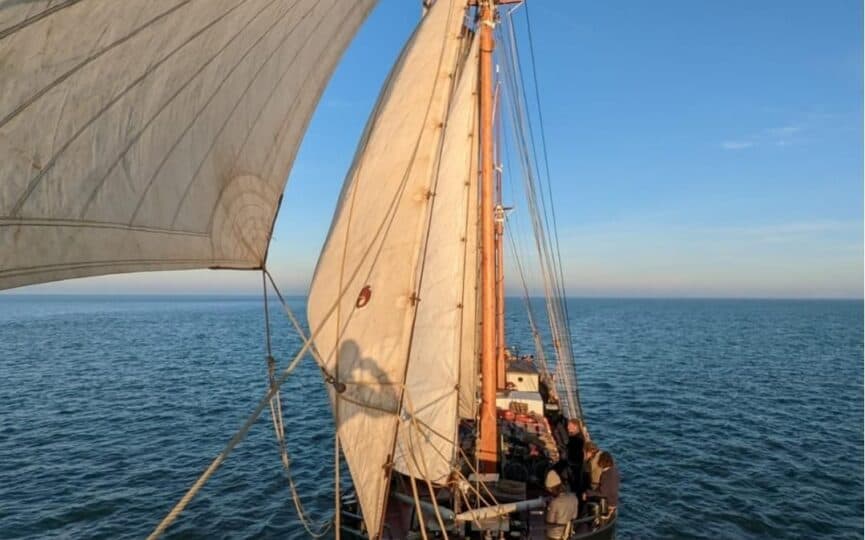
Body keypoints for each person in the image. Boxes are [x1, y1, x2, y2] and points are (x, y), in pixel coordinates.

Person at [544, 469, 579, 540]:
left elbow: (549, 520)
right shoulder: (574, 497)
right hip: (569, 533)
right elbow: (574, 516)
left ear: (550, 489)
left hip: (554, 535)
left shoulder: (554, 502)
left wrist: (546, 509)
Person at [584, 451, 619, 517]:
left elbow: (603, 493)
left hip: (607, 502)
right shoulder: (614, 470)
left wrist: (588, 493)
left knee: (584, 495)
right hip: (613, 500)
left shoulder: (605, 475)